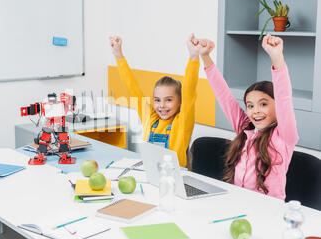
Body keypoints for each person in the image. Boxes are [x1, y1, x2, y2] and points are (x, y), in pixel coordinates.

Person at [198, 34, 299, 200]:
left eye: (263, 104)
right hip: (237, 202)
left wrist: (277, 58)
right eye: (250, 106)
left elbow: (284, 97)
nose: (255, 111)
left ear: (277, 106)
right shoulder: (246, 129)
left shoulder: (284, 136)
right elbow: (224, 96)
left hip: (267, 209)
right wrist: (205, 56)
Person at [109, 35, 200, 167]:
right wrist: (119, 56)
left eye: (168, 100)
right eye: (157, 100)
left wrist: (193, 58)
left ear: (180, 101)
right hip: (149, 175)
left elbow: (189, 92)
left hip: (172, 181)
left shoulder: (182, 123)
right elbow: (132, 88)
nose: (162, 106)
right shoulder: (150, 117)